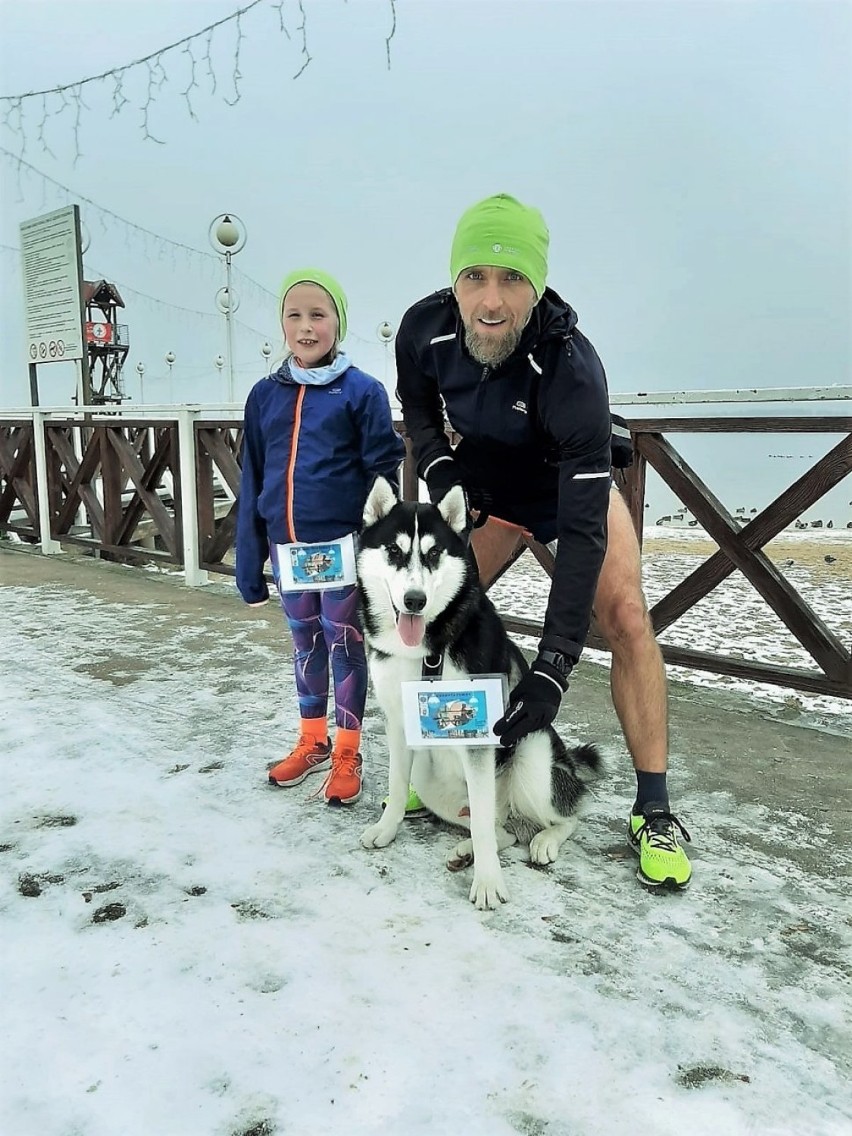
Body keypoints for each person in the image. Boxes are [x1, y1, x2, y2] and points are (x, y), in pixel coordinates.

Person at [394, 194, 692, 888]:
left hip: (567, 488)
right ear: (454, 282)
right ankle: (434, 770)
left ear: (537, 286)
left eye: (512, 280)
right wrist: (439, 466)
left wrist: (555, 668)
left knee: (625, 617)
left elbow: (585, 534)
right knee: (436, 615)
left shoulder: (571, 367)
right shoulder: (422, 328)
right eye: (475, 278)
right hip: (486, 488)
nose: (491, 301)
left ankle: (654, 808)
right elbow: (416, 406)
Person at [236, 268, 406, 805]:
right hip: (287, 549)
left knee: (345, 645)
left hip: (342, 550)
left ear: (338, 323)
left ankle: (348, 750)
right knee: (303, 644)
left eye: (318, 315)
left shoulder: (363, 391)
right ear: (282, 323)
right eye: (295, 315)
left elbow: (384, 478)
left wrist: (384, 561)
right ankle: (312, 741)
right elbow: (253, 474)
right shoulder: (265, 395)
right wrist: (248, 560)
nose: (306, 327)